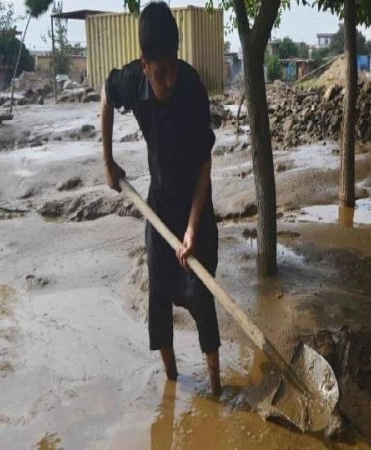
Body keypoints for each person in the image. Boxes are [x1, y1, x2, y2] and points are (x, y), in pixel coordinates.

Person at [100, 1, 221, 395]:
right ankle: (173, 382)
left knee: (202, 296)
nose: (168, 81)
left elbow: (205, 164)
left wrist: (190, 229)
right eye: (160, 73)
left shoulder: (191, 89)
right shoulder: (131, 83)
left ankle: (218, 387)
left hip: (194, 207)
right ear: (144, 63)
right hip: (157, 204)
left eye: (172, 69)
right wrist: (108, 162)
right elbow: (104, 95)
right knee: (158, 294)